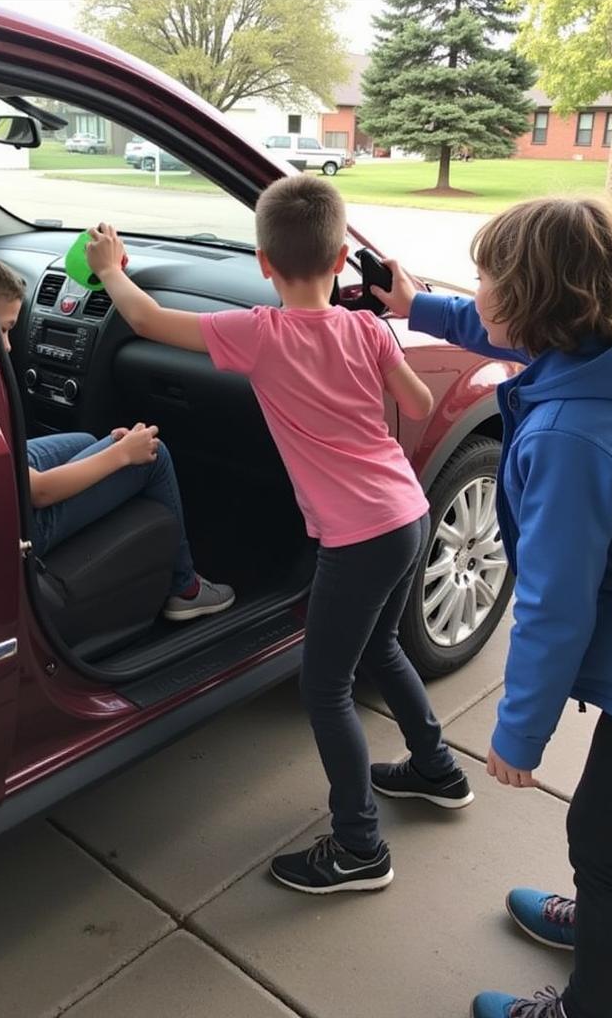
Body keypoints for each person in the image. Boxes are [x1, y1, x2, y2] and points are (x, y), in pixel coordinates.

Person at [371, 198, 612, 1018]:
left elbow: (556, 606)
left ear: (533, 296)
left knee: (603, 843)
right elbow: (508, 330)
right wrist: (413, 304)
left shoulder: (574, 435)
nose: (479, 289)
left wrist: (518, 731)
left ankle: (588, 1003)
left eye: (489, 278)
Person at [84, 175, 473, 896]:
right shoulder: (366, 327)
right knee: (381, 647)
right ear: (338, 262)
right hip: (407, 515)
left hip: (356, 536)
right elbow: (417, 401)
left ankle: (360, 847)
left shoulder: (256, 334)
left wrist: (110, 267)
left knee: (324, 686)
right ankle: (436, 769)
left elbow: (144, 321)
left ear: (263, 263)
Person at [0, 251, 234, 622]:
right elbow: (40, 492)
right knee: (153, 454)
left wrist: (108, 452)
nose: (9, 345)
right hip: (20, 523)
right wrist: (122, 456)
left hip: (3, 489)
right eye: (0, 329)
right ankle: (184, 587)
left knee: (84, 440)